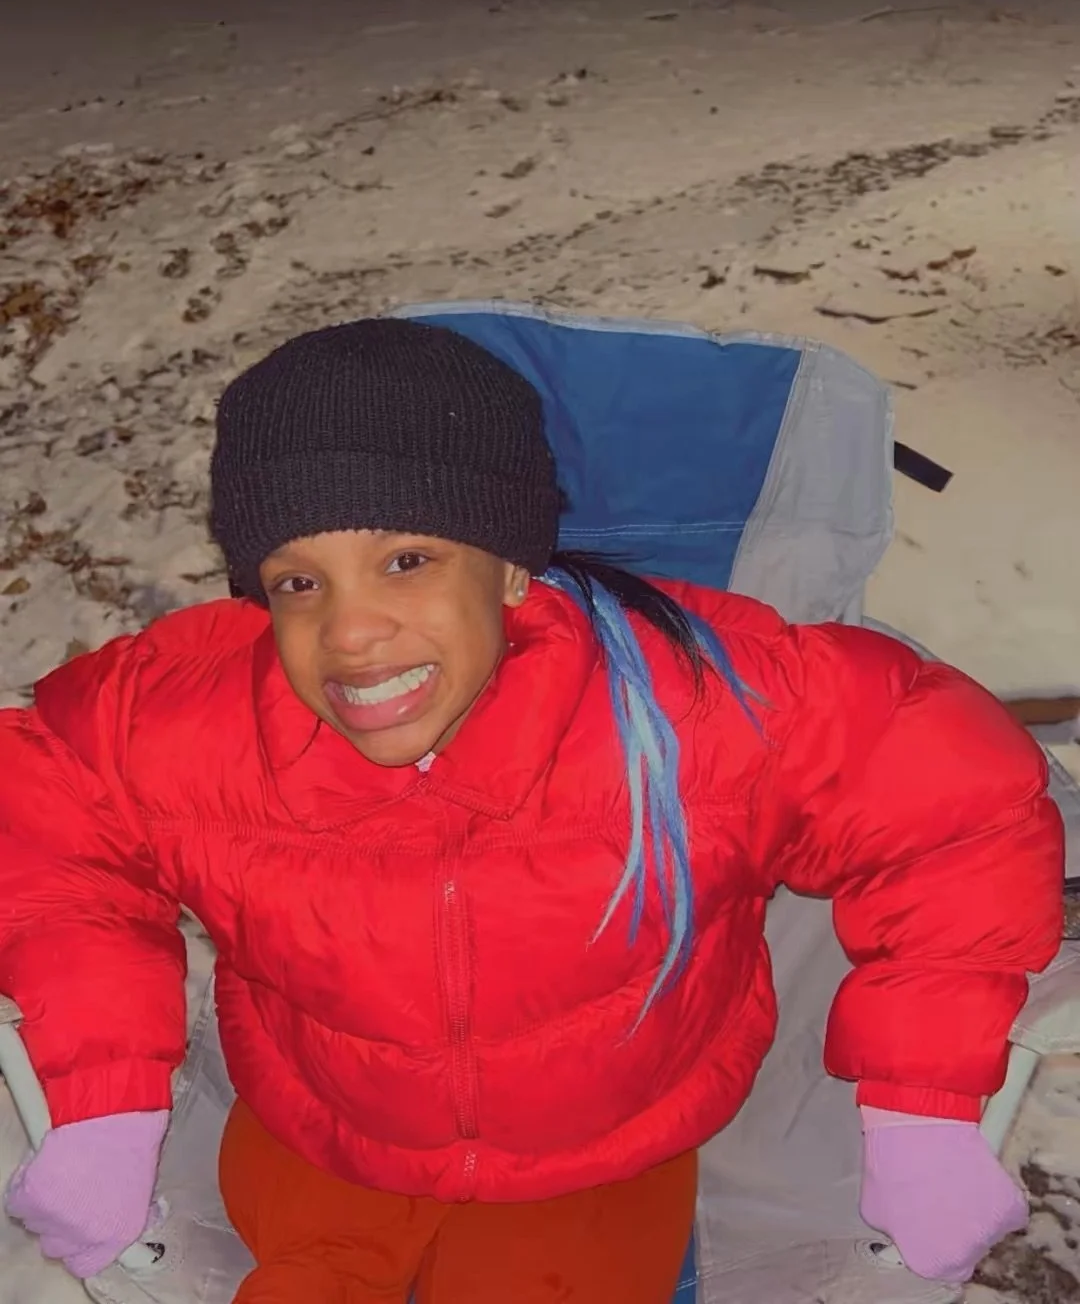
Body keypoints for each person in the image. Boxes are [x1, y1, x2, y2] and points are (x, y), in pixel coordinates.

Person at [0, 318, 1064, 1303]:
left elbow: (954, 809)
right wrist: (104, 1096)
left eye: (407, 561)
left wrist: (924, 1103)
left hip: (604, 1154)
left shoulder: (695, 702)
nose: (351, 633)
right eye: (297, 582)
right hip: (320, 1135)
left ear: (512, 566)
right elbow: (44, 818)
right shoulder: (202, 714)